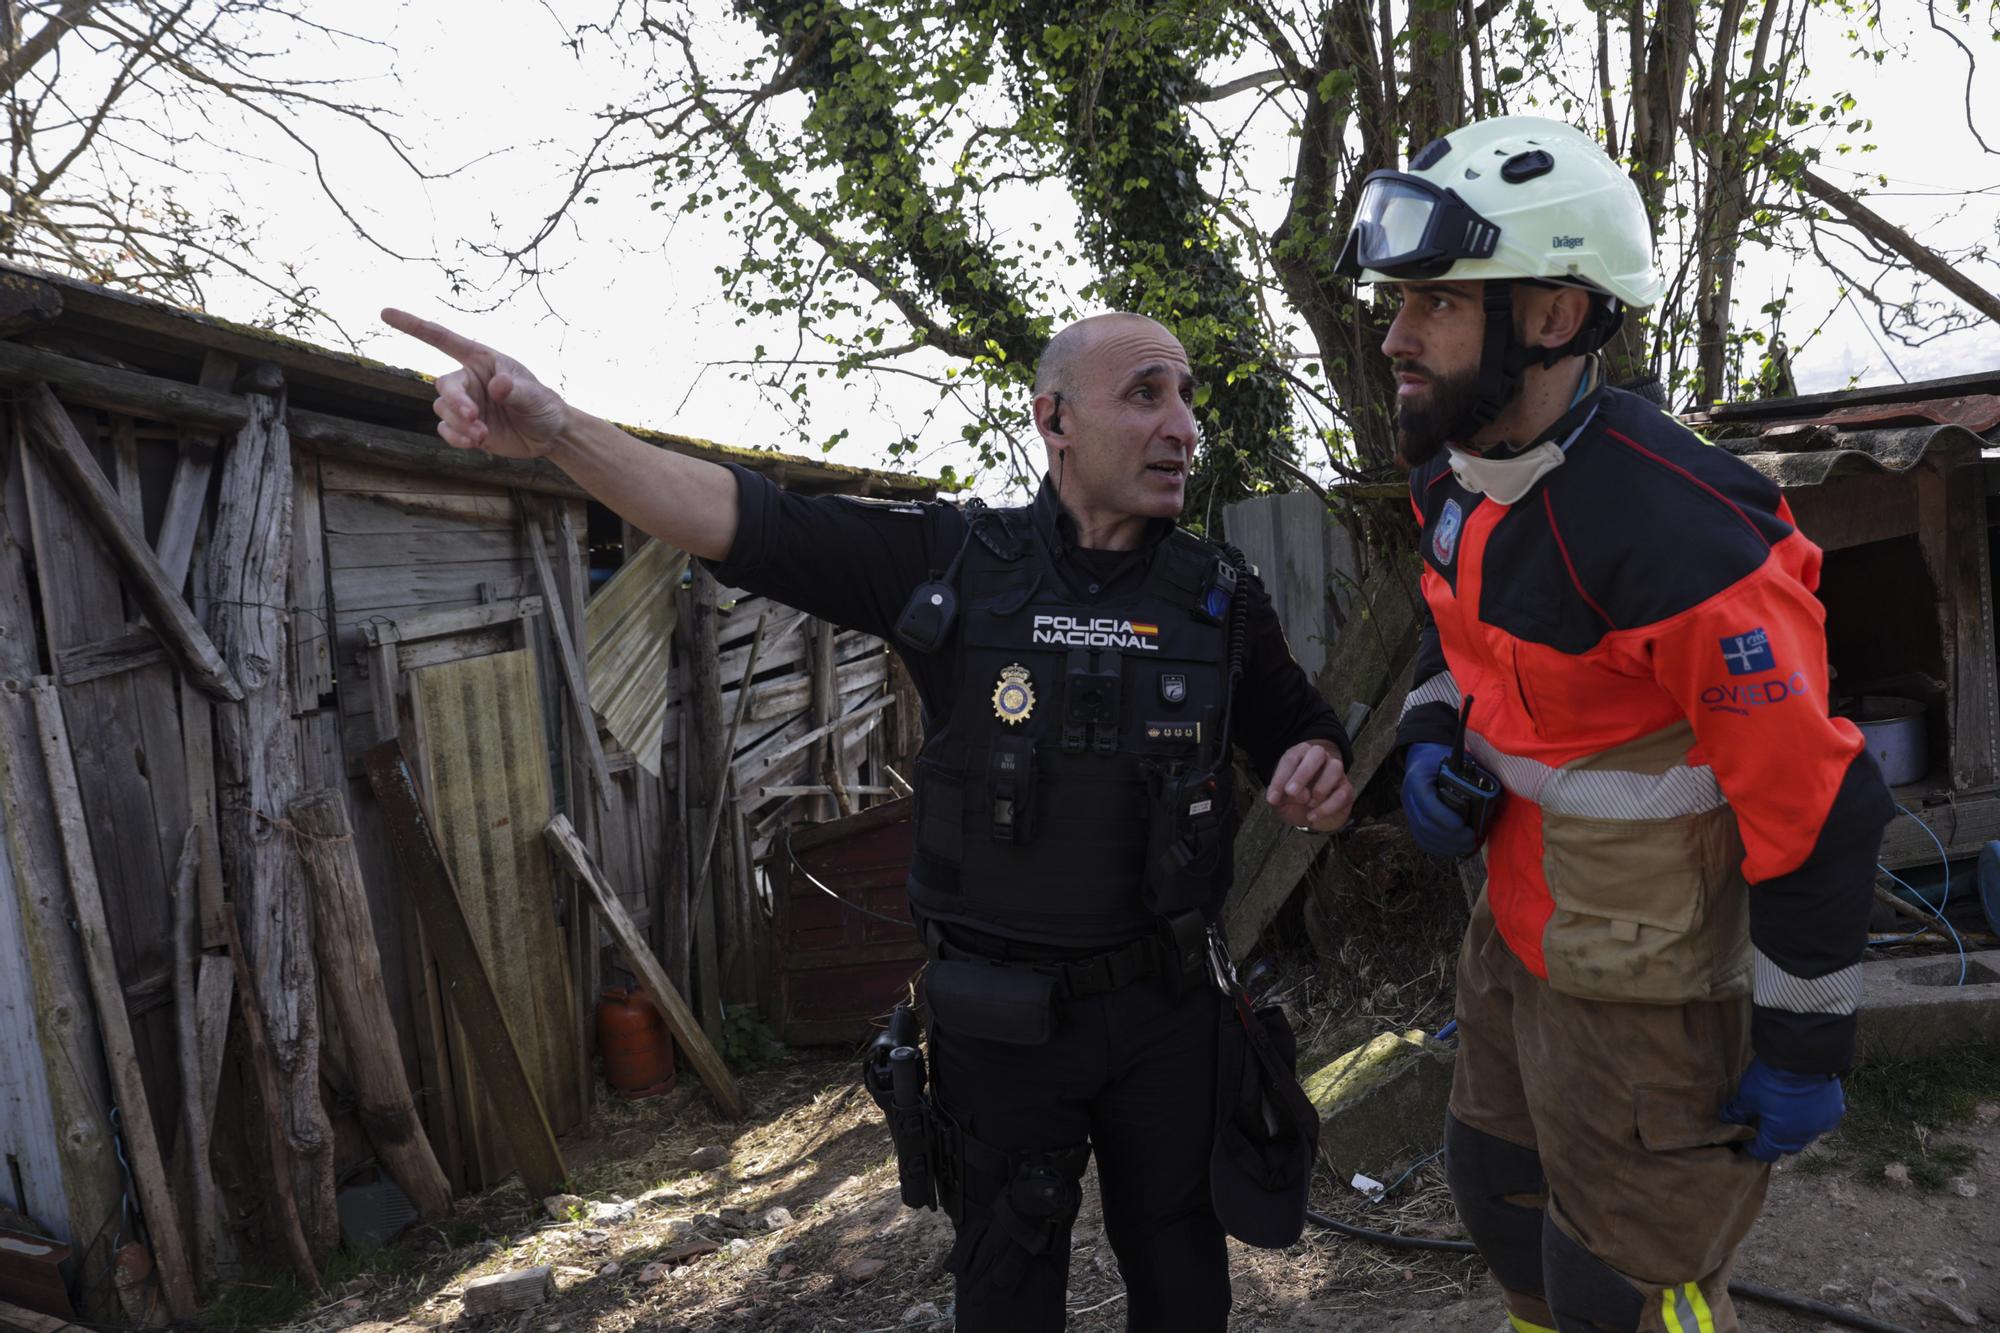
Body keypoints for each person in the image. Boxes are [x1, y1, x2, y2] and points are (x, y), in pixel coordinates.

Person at [380, 306, 1357, 1331]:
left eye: (1186, 396)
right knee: (1006, 1287)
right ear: (1053, 419)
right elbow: (746, 521)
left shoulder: (1216, 596)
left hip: (1167, 1015)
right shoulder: (954, 561)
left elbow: (1302, 725)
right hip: (1001, 1025)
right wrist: (558, 429)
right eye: (1144, 395)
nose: (1182, 426)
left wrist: (1316, 763)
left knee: (1182, 1278)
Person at [1337, 116, 1892, 1332]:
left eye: (1431, 301)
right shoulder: (1451, 473)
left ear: (1547, 316)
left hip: (1650, 982)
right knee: (1491, 1192)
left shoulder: (1682, 538)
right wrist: (1432, 738)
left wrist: (1804, 1043)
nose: (1392, 336)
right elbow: (1453, 635)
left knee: (1621, 1289)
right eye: (1396, 300)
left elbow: (1817, 804)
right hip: (1515, 937)